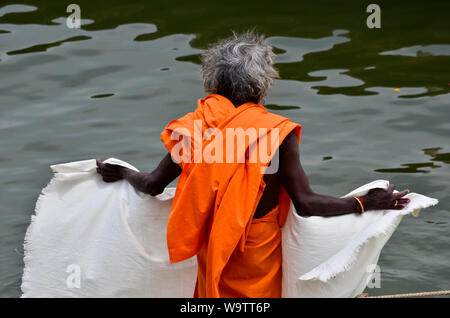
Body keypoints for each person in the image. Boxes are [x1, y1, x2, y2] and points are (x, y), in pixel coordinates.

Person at [96, 31, 410, 298]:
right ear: (261, 86)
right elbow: (307, 203)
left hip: (212, 245)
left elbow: (152, 185)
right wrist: (364, 203)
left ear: (211, 82)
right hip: (257, 254)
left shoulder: (194, 128)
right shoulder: (276, 132)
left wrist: (122, 172)